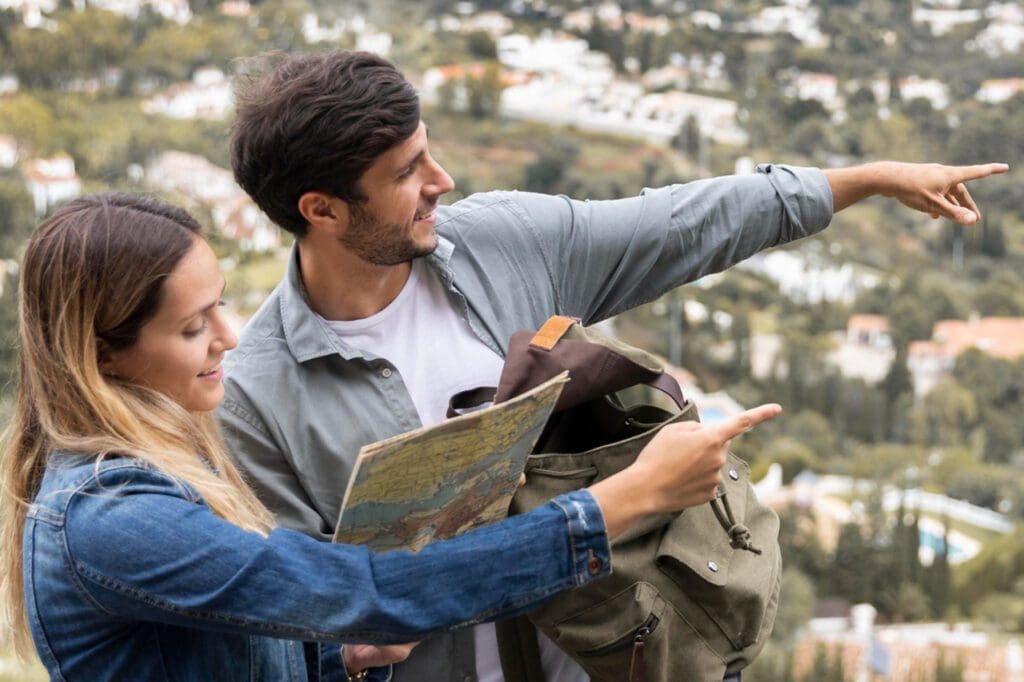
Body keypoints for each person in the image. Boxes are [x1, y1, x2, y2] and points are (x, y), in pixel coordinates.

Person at [221, 49, 1009, 682]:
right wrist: (349, 649)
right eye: (405, 174)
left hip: (606, 654)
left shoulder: (504, 244)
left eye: (427, 154)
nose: (442, 182)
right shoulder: (255, 395)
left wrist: (864, 182)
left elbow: (682, 224)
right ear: (320, 210)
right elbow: (283, 614)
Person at [0, 192, 785, 682]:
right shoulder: (112, 517)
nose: (229, 338)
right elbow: (360, 592)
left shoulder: (141, 480)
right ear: (100, 352)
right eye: (192, 326)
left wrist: (338, 657)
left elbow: (236, 646)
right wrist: (623, 501)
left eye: (221, 307)